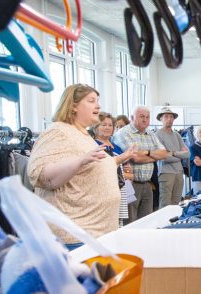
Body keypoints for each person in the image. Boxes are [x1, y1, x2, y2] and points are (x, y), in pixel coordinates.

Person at [28, 85, 128, 246]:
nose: (98, 106)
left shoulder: (82, 133)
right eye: (91, 101)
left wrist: (121, 158)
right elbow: (39, 175)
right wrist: (79, 161)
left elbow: (93, 167)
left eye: (98, 101)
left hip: (97, 233)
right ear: (73, 106)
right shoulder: (58, 132)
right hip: (75, 235)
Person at [113, 106, 167, 221]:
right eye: (141, 116)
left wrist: (146, 152)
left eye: (147, 117)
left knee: (146, 221)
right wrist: (154, 156)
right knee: (131, 222)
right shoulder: (124, 133)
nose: (145, 120)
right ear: (132, 118)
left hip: (147, 184)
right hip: (131, 184)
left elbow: (163, 154)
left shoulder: (151, 134)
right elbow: (135, 158)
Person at [94, 112, 136, 227]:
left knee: (126, 223)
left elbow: (128, 170)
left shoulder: (116, 146)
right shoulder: (94, 146)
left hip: (125, 190)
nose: (107, 127)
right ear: (96, 127)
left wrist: (130, 174)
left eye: (110, 125)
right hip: (106, 193)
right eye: (103, 124)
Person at [152, 105, 189, 208]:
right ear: (161, 118)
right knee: (165, 203)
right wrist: (178, 154)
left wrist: (172, 153)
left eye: (171, 117)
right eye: (166, 116)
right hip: (166, 172)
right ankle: (162, 224)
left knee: (176, 202)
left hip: (179, 172)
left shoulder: (177, 134)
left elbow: (187, 154)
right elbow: (163, 156)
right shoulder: (157, 135)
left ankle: (174, 224)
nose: (169, 119)